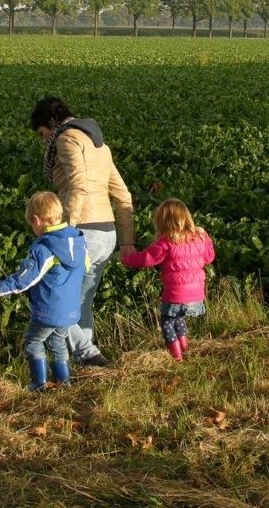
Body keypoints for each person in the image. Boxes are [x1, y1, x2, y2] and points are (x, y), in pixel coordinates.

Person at [30, 96, 135, 367]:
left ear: (51, 123)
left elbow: (77, 187)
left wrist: (66, 233)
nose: (43, 141)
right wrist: (126, 243)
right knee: (80, 301)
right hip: (106, 234)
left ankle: (89, 355)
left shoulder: (66, 140)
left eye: (42, 134)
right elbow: (123, 195)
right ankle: (86, 359)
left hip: (83, 232)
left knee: (57, 302)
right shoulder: (100, 145)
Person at [0, 191, 89, 390]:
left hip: (48, 309)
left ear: (37, 220)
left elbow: (25, 280)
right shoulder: (80, 241)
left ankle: (39, 385)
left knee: (32, 341)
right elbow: (85, 267)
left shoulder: (44, 248)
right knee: (58, 342)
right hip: (71, 309)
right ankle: (64, 384)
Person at [121, 198, 215, 361]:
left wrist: (127, 259)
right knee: (178, 318)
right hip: (196, 293)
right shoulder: (200, 236)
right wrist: (207, 241)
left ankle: (177, 358)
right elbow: (209, 258)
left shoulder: (167, 241)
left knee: (167, 322)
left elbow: (147, 259)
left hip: (176, 293)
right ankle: (185, 349)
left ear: (162, 220)